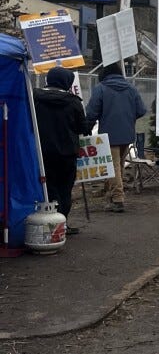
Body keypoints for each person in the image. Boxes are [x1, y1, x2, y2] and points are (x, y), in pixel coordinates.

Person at [33, 67, 91, 234]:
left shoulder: (35, 98)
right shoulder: (73, 102)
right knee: (65, 189)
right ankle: (61, 225)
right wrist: (90, 123)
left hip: (42, 152)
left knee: (47, 188)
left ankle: (46, 222)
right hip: (67, 154)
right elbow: (82, 127)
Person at [86, 63, 146, 213]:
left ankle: (118, 199)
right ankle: (110, 194)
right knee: (117, 166)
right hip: (127, 134)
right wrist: (129, 117)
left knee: (113, 167)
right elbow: (142, 110)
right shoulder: (131, 89)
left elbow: (92, 112)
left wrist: (87, 126)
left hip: (108, 134)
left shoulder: (101, 88)